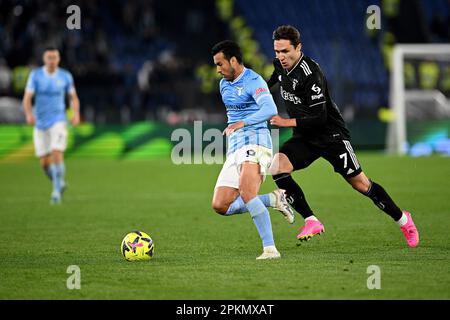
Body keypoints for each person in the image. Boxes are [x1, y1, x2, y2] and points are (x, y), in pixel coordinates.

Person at [266, 25, 419, 247]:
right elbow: (268, 83)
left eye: (285, 51)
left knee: (361, 184)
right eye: (277, 51)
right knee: (277, 167)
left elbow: (319, 117)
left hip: (331, 136)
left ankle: (404, 220)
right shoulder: (279, 66)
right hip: (305, 137)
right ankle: (311, 220)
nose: (280, 57)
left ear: (298, 47)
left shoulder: (311, 74)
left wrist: (284, 122)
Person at [210, 40, 295, 260]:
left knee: (248, 193)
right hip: (235, 148)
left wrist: (243, 123)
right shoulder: (223, 84)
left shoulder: (254, 80)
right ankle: (274, 200)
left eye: (220, 64)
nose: (218, 69)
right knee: (221, 205)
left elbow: (270, 109)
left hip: (257, 142)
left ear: (234, 60)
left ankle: (270, 249)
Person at [23, 47, 80, 204]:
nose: (52, 60)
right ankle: (59, 182)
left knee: (56, 152)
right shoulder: (36, 76)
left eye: (55, 57)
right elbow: (27, 98)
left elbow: (73, 98)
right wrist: (29, 114)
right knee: (44, 163)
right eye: (49, 57)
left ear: (59, 59)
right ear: (44, 59)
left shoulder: (65, 76)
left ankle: (56, 192)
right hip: (40, 123)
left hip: (58, 120)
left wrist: (75, 114)